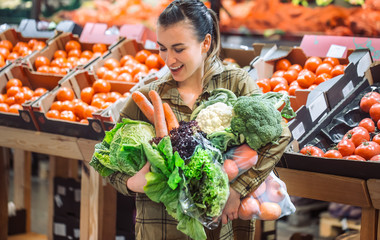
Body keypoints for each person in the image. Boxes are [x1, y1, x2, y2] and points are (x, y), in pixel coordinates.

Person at [107, 0, 291, 239]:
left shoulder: (235, 83)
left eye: (179, 49)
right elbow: (107, 161)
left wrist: (236, 190)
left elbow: (279, 135)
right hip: (161, 228)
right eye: (162, 48)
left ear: (205, 42)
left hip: (221, 228)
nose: (169, 59)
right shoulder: (147, 97)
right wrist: (132, 182)